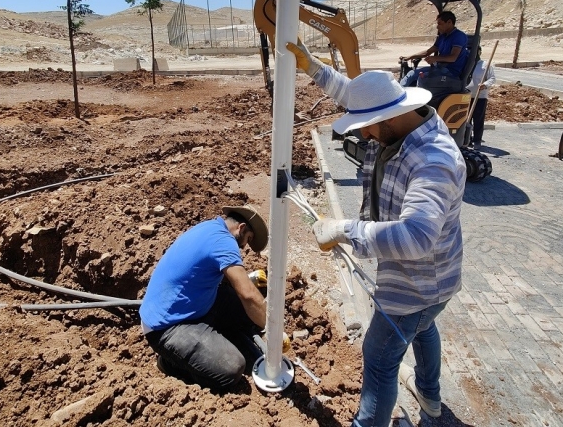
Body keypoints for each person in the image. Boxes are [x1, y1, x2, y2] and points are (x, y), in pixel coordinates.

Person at [288, 41, 465, 426]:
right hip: (435, 285)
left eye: (365, 126)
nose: (363, 135)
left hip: (416, 285)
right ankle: (431, 401)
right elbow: (353, 94)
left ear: (388, 117)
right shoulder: (397, 125)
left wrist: (345, 229)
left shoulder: (433, 161)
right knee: (423, 329)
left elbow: (417, 238)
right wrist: (314, 68)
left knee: (381, 362)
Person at [139, 204, 269, 392]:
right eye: (247, 239)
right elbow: (247, 294)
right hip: (167, 327)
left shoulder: (210, 227)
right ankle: (171, 363)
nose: (244, 246)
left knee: (248, 313)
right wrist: (271, 328)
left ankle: (214, 339)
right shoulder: (224, 242)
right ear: (240, 228)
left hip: (191, 303)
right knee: (232, 369)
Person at [400, 10, 469, 88]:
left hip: (450, 72)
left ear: (449, 22)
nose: (437, 27)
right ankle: (398, 95)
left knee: (422, 78)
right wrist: (409, 57)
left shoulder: (459, 36)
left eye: (440, 24)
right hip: (439, 69)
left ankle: (420, 99)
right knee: (411, 74)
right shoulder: (442, 37)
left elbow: (453, 58)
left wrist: (435, 58)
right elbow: (427, 52)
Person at [465, 48, 495, 150]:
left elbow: (492, 78)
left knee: (478, 119)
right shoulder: (465, 63)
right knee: (465, 119)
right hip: (465, 96)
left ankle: (477, 141)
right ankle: (467, 140)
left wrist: (485, 84)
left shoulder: (485, 65)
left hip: (480, 96)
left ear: (479, 52)